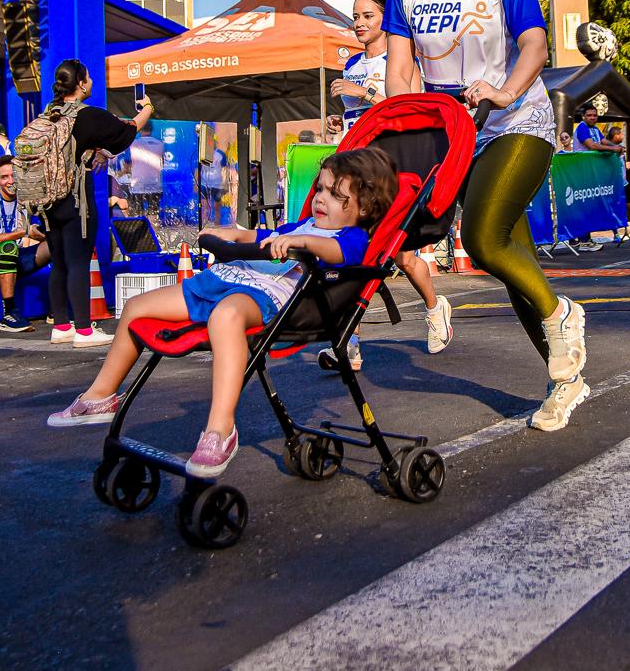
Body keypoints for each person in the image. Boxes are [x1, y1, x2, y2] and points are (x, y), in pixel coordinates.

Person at [384, 0, 588, 432]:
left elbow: (535, 45)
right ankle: (565, 379)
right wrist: (405, 126)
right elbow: (399, 73)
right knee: (513, 259)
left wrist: (506, 92)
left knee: (481, 237)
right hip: (458, 138)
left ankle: (562, 312)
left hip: (519, 123)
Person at [47, 149, 397, 478]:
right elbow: (262, 235)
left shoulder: (351, 237)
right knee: (137, 307)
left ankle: (220, 429)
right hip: (223, 280)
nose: (320, 198)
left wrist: (303, 243)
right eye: (320, 188)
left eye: (335, 194)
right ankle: (101, 394)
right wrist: (231, 234)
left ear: (365, 207)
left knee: (225, 316)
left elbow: (336, 252)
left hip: (263, 296)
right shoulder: (301, 226)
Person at [324, 0, 453, 367]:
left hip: (390, 165)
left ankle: (435, 308)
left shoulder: (402, 60)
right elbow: (357, 115)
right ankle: (348, 343)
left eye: (368, 16)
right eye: (355, 16)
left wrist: (363, 93)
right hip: (355, 164)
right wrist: (340, 123)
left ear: (386, 19)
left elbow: (412, 112)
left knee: (402, 254)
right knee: (350, 250)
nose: (359, 24)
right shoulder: (351, 63)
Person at [38, 59, 152, 346]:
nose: (91, 82)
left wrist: (95, 150)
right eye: (88, 78)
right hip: (76, 197)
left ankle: (61, 326)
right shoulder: (87, 115)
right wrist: (147, 109)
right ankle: (84, 331)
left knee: (58, 262)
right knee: (79, 261)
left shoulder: (48, 115)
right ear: (80, 84)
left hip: (47, 200)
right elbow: (127, 131)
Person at [0, 155, 50, 332]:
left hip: (17, 260)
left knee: (55, 245)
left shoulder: (26, 200)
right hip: (4, 256)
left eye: (13, 176)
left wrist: (40, 235)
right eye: (4, 177)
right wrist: (23, 233)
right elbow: (23, 233)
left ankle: (57, 308)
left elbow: (36, 230)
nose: (10, 181)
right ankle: (9, 313)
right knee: (8, 247)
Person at [570, 104, 623, 251]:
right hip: (582, 172)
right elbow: (592, 145)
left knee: (590, 205)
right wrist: (613, 149)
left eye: (594, 115)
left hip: (592, 172)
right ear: (583, 116)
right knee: (585, 206)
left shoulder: (594, 129)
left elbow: (603, 141)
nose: (592, 118)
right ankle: (583, 240)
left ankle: (581, 239)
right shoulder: (582, 128)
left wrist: (617, 146)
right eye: (589, 115)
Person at [127, 122, 163, 221]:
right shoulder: (160, 144)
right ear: (151, 129)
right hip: (155, 184)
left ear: (140, 130)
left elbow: (127, 163)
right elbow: (162, 163)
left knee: (137, 214)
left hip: (138, 185)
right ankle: (154, 229)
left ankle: (140, 230)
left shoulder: (134, 143)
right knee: (154, 213)